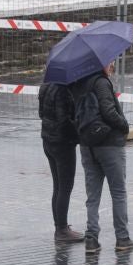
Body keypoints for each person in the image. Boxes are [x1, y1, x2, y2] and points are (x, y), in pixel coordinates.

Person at [71, 60, 133, 254]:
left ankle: (91, 239)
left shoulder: (78, 82)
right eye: (111, 62)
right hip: (109, 144)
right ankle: (122, 238)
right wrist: (124, 126)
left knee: (92, 195)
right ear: (101, 63)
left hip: (87, 144)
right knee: (118, 192)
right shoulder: (101, 82)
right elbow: (108, 111)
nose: (113, 65)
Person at [38, 82, 85, 243]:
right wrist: (80, 135)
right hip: (62, 144)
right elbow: (64, 121)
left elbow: (41, 114)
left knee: (58, 186)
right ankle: (62, 230)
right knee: (65, 187)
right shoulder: (63, 90)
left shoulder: (46, 86)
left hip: (48, 140)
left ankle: (60, 226)